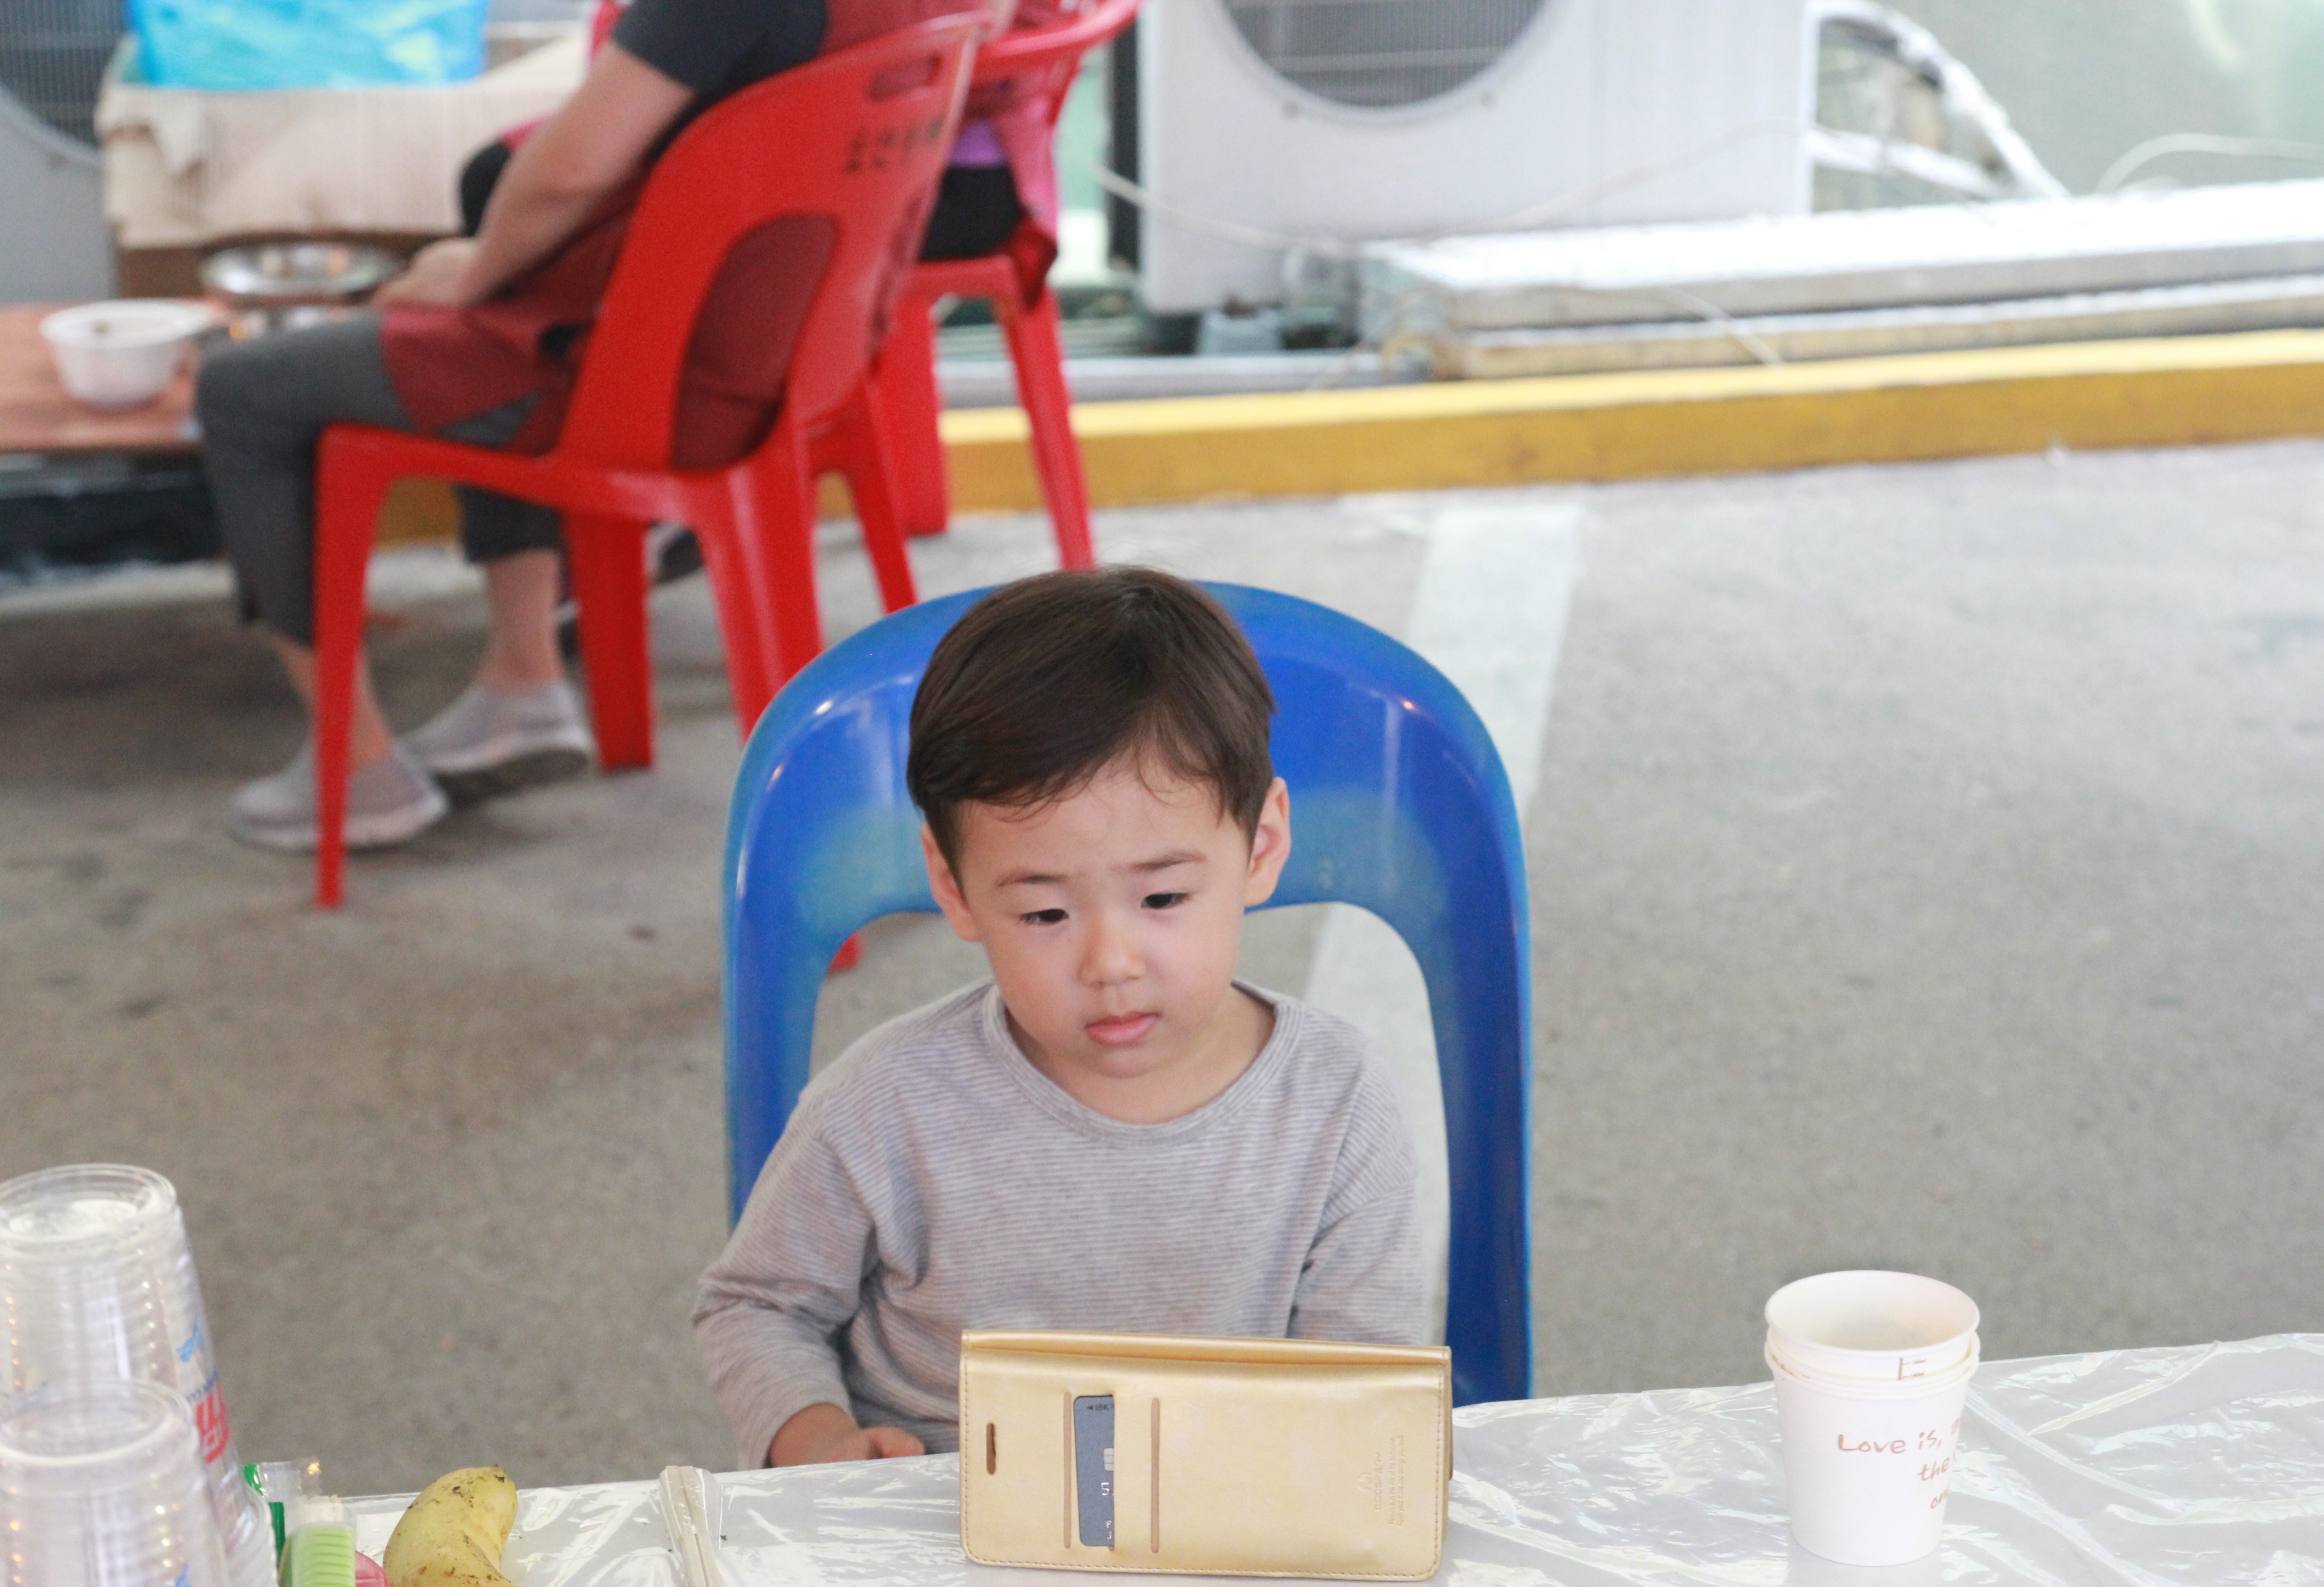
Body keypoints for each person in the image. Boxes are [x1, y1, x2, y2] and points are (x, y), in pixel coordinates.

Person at [197, 0, 1003, 853]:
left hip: (658, 383)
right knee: (502, 224)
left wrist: (471, 276)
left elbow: (568, 173)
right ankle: (520, 680)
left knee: (244, 390)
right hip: (793, 357)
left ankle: (357, 768)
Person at [692, 567, 1427, 1467]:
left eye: (1163, 898)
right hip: (937, 1520)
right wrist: (817, 1444)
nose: (1110, 964)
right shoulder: (886, 1105)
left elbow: (1363, 1392)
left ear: (1261, 847)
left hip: (1225, 1516)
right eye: (1045, 914)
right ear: (954, 887)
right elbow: (757, 1306)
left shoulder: (1339, 1102)